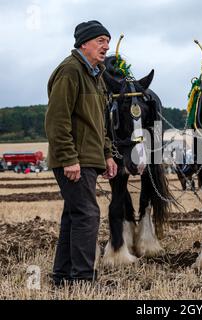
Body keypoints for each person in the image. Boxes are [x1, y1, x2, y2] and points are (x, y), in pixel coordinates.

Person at [45, 20, 117, 286]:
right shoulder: (70, 71)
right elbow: (56, 120)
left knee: (74, 215)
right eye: (100, 41)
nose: (106, 46)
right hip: (76, 159)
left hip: (89, 158)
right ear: (83, 43)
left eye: (107, 42)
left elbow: (99, 122)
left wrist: (108, 154)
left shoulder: (95, 75)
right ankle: (83, 280)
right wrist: (69, 158)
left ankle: (63, 277)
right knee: (87, 214)